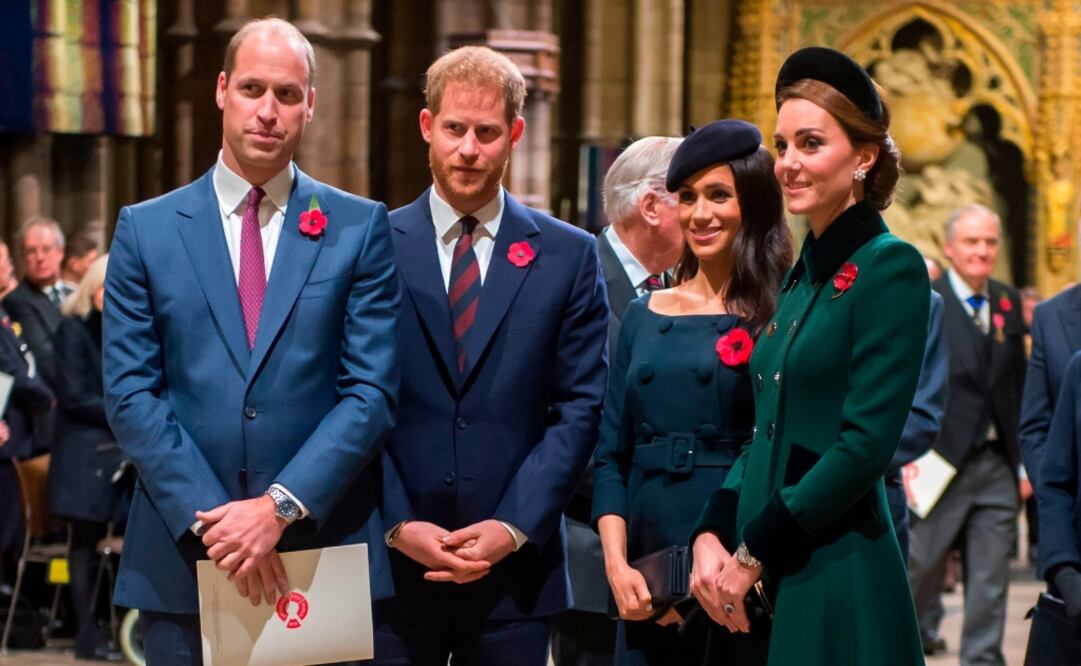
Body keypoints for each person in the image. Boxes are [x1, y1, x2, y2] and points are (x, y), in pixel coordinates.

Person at [102, 18, 400, 663]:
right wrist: (226, 524)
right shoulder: (145, 231)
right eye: (252, 89)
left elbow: (370, 393)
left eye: (288, 94)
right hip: (188, 554)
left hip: (317, 553)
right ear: (221, 90)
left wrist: (278, 509)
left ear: (311, 104)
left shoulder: (357, 227)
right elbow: (130, 395)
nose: (268, 111)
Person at [689, 46, 928, 664]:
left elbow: (863, 446)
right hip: (758, 569)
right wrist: (712, 532)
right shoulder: (802, 276)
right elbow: (764, 428)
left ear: (865, 156)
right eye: (782, 145)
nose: (789, 163)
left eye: (811, 144)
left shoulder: (889, 267)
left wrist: (754, 551)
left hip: (831, 567)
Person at [376, 45, 609, 665]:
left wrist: (511, 526)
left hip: (516, 575)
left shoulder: (568, 255)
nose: (468, 150)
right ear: (428, 127)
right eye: (454, 129)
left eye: (486, 132)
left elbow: (580, 407)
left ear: (515, 134)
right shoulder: (372, 245)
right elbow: (353, 397)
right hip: (393, 569)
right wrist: (398, 523)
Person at [592, 120, 791, 664]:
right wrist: (617, 565)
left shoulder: (781, 313)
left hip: (735, 563)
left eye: (718, 195)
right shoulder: (642, 313)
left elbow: (778, 452)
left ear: (751, 203)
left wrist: (741, 562)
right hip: (643, 571)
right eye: (688, 197)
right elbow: (611, 453)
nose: (700, 213)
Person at [553, 135, 683, 666]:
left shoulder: (691, 288)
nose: (705, 214)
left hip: (678, 561)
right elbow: (558, 426)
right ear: (652, 206)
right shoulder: (571, 278)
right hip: (594, 558)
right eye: (691, 196)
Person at [908, 203, 1026, 665]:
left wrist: (1021, 462)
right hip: (938, 460)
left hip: (995, 463)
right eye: (972, 242)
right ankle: (902, 648)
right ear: (950, 248)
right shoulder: (927, 297)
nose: (982, 251)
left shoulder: (1007, 302)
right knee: (918, 569)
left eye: (990, 242)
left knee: (990, 582)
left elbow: (1015, 384)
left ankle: (983, 660)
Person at [47, 254, 128, 660]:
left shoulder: (120, 329)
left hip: (116, 449)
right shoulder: (72, 329)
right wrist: (125, 409)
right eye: (105, 287)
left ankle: (126, 629)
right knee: (83, 541)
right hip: (82, 451)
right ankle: (86, 634)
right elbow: (74, 395)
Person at [0, 240, 55, 589]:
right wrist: (47, 398)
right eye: (3, 262)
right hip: (6, 443)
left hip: (13, 438)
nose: (7, 269)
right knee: (6, 531)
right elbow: (12, 370)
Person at [885, 289, 947, 562]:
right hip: (791, 493)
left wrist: (844, 465)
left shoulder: (921, 300)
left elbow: (922, 416)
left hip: (876, 490)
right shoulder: (798, 289)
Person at [3, 218, 69, 455]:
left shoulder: (74, 292)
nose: (39, 257)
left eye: (46, 249)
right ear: (21, 258)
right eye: (31, 251)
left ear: (61, 252)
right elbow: (45, 359)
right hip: (51, 414)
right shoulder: (17, 301)